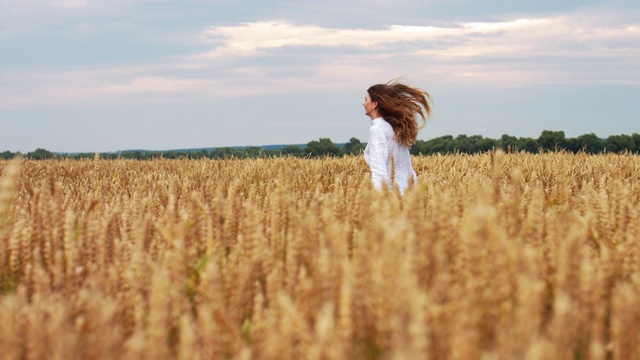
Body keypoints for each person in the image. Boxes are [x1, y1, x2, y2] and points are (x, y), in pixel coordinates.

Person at [363, 79, 433, 194]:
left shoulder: (378, 129)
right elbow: (407, 166)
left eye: (366, 99)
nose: (363, 103)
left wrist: (380, 198)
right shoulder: (394, 127)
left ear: (375, 104)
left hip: (393, 196)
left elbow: (379, 169)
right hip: (409, 192)